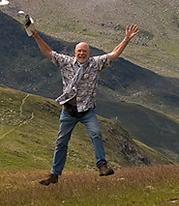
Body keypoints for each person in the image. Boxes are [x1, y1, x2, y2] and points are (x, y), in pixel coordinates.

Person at [29, 23, 139, 185]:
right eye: (79, 51)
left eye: (84, 51)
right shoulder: (65, 62)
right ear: (75, 53)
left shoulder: (95, 63)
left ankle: (102, 166)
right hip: (68, 110)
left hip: (86, 110)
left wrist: (126, 40)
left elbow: (113, 54)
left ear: (89, 53)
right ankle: (54, 175)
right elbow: (48, 52)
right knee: (61, 142)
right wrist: (36, 36)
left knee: (96, 134)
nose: (82, 54)